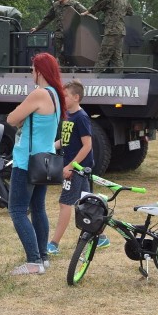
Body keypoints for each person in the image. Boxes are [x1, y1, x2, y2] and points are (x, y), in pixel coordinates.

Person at [5, 53, 65, 275]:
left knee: (17, 210)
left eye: (32, 69)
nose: (31, 73)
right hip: (46, 159)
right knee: (38, 208)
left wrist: (20, 117)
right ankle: (43, 256)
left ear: (39, 70)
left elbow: (11, 119)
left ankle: (33, 261)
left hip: (27, 160)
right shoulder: (56, 95)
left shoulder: (38, 94)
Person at [45, 81, 108, 256]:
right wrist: (50, 147)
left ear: (76, 97)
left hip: (78, 169)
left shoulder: (81, 117)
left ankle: (54, 244)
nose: (62, 99)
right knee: (86, 203)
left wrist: (71, 167)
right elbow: (65, 141)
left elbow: (87, 146)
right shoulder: (67, 116)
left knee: (65, 203)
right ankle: (102, 237)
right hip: (76, 167)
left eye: (65, 96)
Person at [84, 0, 133, 72]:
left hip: (111, 31)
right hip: (120, 31)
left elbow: (97, 5)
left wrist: (87, 12)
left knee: (103, 55)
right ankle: (120, 78)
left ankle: (94, 78)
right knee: (116, 57)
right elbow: (130, 12)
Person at [30, 0, 87, 66]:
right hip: (59, 35)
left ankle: (72, 71)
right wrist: (37, 28)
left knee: (71, 55)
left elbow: (86, 13)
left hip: (72, 35)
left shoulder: (74, 4)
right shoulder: (56, 5)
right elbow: (47, 18)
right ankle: (62, 72)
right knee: (59, 55)